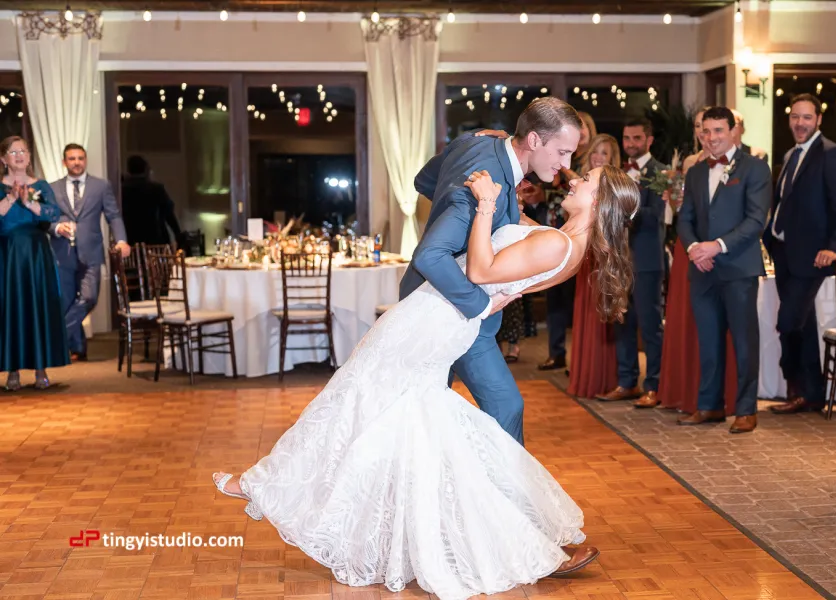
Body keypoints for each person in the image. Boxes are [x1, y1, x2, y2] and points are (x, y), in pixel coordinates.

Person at [211, 149, 640, 597]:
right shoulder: (562, 240)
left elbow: (479, 269)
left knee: (358, 397)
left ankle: (266, 485)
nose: (574, 179)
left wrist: (489, 203)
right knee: (405, 421)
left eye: (586, 179)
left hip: (436, 318)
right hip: (438, 315)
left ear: (600, 199)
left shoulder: (559, 244)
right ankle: (437, 534)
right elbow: (507, 257)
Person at [676, 107, 771, 434]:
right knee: (709, 340)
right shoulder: (696, 172)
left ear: (733, 131)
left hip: (739, 268)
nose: (712, 137)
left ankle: (746, 409)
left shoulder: (756, 168)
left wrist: (716, 246)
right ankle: (710, 406)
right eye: (706, 131)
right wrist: (693, 249)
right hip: (702, 269)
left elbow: (756, 221)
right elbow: (684, 219)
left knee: (745, 341)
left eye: (718, 130)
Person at [764, 93, 836, 415]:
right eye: (794, 117)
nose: (799, 123)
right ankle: (812, 393)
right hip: (784, 252)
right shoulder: (791, 154)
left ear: (818, 119)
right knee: (802, 323)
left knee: (788, 321)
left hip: (813, 255)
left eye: (806, 117)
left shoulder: (831, 154)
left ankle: (797, 386)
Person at [597, 118, 665, 407]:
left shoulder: (661, 172)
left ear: (649, 140)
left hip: (647, 259)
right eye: (626, 138)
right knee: (623, 321)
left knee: (650, 325)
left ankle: (654, 385)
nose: (630, 144)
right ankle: (627, 382)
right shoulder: (619, 172)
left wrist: (624, 212)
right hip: (619, 259)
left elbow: (656, 215)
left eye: (637, 138)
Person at [0, 136, 69, 390]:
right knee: (11, 308)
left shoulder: (40, 185)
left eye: (23, 151)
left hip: (37, 255)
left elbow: (52, 213)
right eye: (13, 151)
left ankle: (41, 368)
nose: (19, 155)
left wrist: (29, 201)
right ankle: (12, 371)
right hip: (7, 255)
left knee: (37, 306)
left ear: (29, 157)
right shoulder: (0, 186)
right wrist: (10, 198)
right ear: (3, 159)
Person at [49, 143, 130, 361]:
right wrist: (57, 228)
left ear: (85, 160)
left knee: (89, 298)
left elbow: (113, 215)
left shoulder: (101, 186)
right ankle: (77, 349)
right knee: (65, 302)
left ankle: (57, 338)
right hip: (61, 253)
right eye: (72, 158)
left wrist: (121, 240)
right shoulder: (52, 188)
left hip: (91, 252)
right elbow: (45, 219)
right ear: (64, 162)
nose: (76, 162)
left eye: (80, 158)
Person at [567, 134, 621, 398]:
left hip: (600, 257)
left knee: (601, 317)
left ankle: (600, 377)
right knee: (584, 314)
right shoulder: (578, 187)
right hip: (584, 255)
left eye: (605, 153)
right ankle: (583, 375)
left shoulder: (610, 190)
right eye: (595, 151)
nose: (598, 156)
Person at [121, 155, 182, 246]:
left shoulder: (122, 190)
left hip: (131, 238)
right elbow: (169, 214)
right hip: (155, 238)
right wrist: (178, 234)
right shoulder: (156, 189)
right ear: (146, 170)